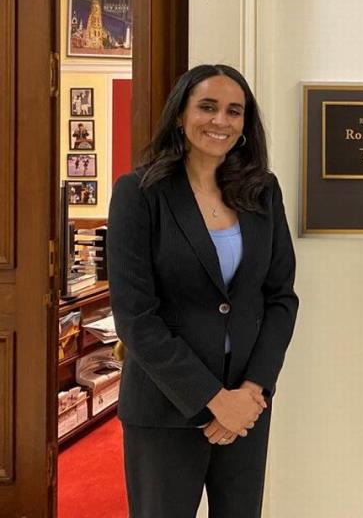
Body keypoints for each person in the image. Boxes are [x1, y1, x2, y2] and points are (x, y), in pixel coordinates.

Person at [108, 64, 299, 518]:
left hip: (247, 406)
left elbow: (280, 297)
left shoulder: (262, 191)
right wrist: (214, 400)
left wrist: (252, 391)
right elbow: (136, 316)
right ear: (180, 115)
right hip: (164, 409)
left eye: (234, 111)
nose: (221, 121)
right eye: (207, 107)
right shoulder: (139, 193)